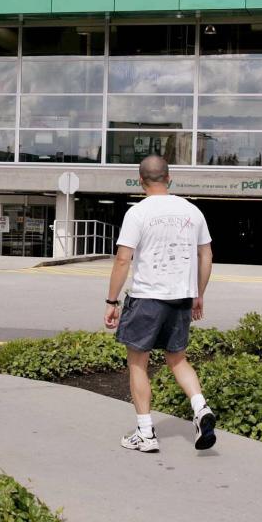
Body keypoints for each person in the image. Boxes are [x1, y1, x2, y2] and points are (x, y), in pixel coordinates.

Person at [104, 155, 215, 453]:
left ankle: (145, 433)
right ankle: (201, 408)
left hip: (146, 298)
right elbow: (206, 256)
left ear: (140, 181)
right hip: (180, 298)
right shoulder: (192, 211)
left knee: (138, 363)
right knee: (177, 359)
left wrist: (112, 301)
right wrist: (198, 293)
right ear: (170, 178)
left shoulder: (138, 213)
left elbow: (123, 259)